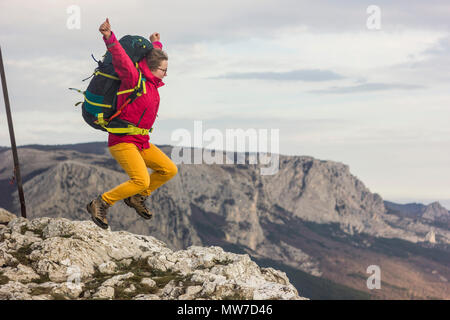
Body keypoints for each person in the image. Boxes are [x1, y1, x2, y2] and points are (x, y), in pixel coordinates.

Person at [87, 18, 178, 230]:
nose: (166, 74)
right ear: (153, 69)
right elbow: (120, 58)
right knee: (141, 180)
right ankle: (101, 203)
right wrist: (109, 37)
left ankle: (137, 198)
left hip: (141, 142)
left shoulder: (153, 83)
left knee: (169, 169)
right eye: (164, 70)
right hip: (122, 142)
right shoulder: (133, 78)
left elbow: (153, 58)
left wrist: (155, 44)